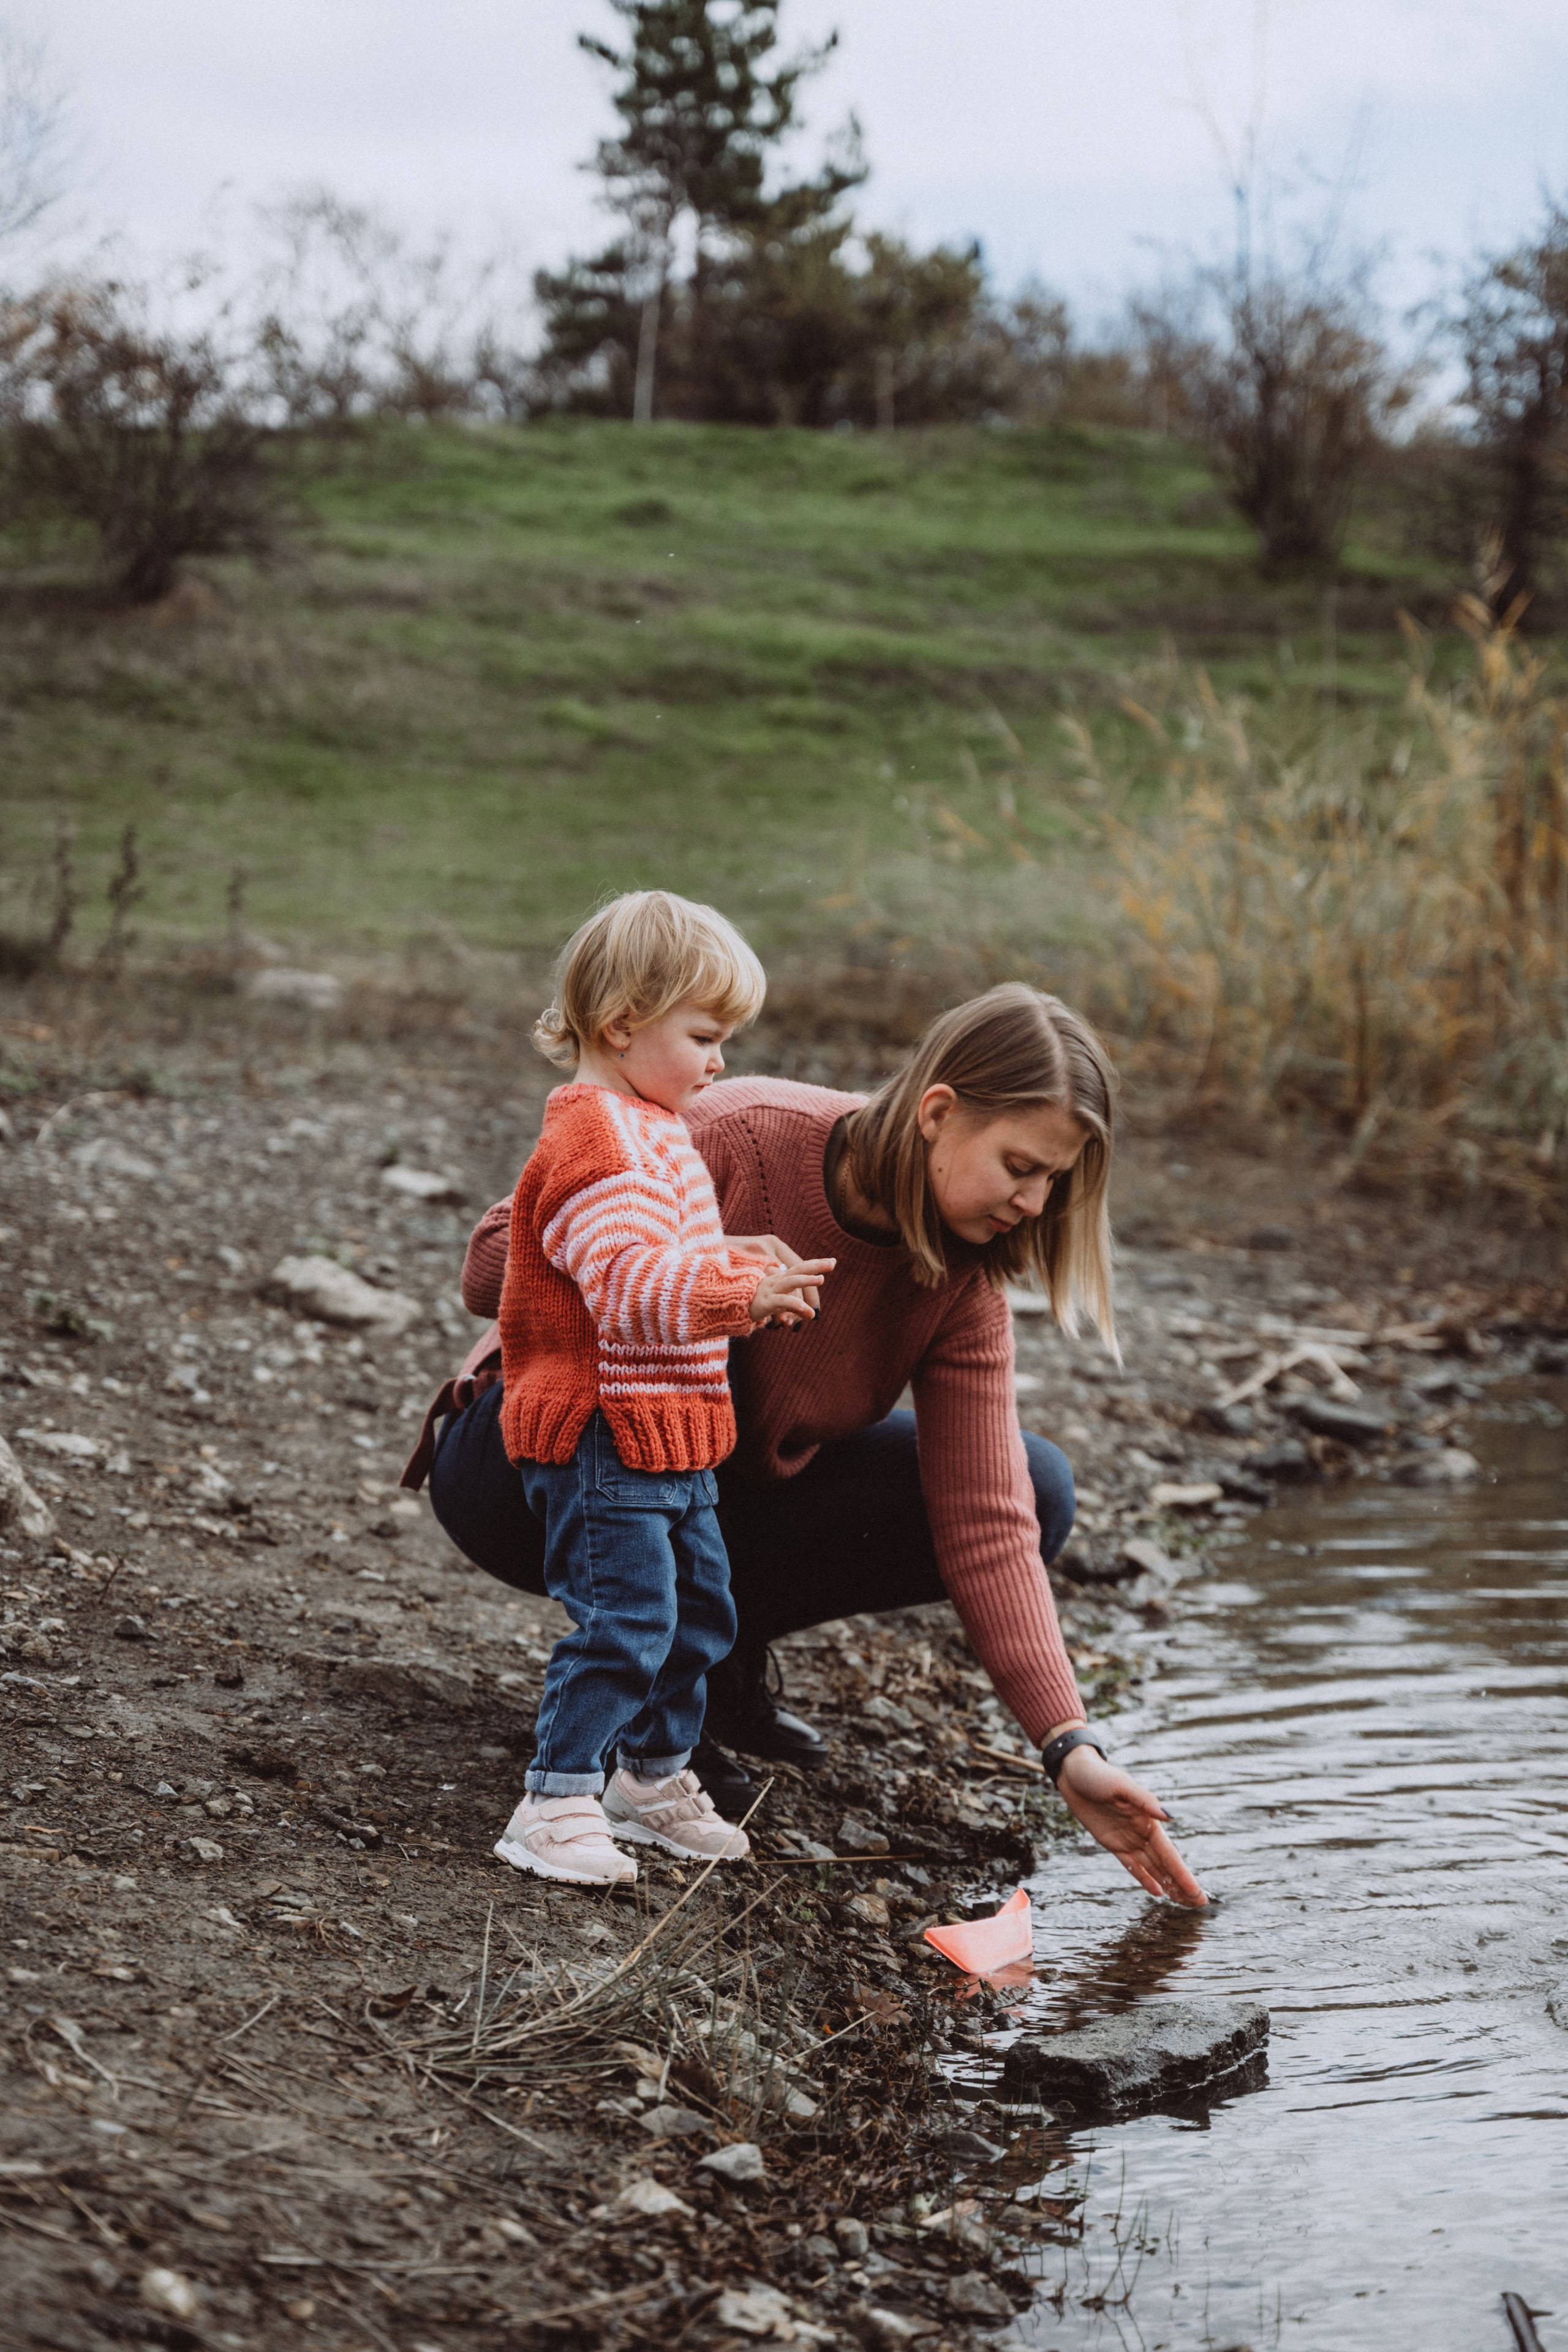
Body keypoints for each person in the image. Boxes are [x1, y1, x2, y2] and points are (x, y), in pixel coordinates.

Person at [414, 981, 1206, 1909]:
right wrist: (697, 1254)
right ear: (938, 1113)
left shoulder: (961, 1281)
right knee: (666, 1479)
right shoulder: (739, 1132)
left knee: (1037, 1488)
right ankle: (594, 1759)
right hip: (530, 1456)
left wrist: (1068, 1746)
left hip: (700, 1479)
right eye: (1021, 1166)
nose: (1035, 1202)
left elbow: (987, 1518)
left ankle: (700, 1675)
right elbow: (489, 1266)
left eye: (1054, 1183)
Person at [485, 891, 834, 1887]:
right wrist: (737, 1291)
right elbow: (628, 1285)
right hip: (605, 1430)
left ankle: (648, 1778)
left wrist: (728, 1257)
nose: (719, 1062)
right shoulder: (596, 1140)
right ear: (622, 1023)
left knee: (702, 1615)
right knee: (626, 1621)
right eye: (706, 1037)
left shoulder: (654, 1126)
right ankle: (555, 1800)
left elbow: (661, 1250)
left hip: (674, 1430)